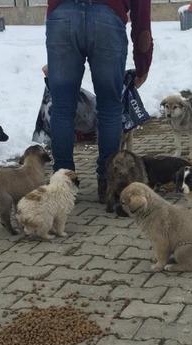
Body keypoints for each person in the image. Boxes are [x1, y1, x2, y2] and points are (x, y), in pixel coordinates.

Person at [45, 0, 153, 203]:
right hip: (108, 18)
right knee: (110, 108)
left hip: (62, 16)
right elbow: (141, 8)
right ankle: (108, 184)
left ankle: (62, 183)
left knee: (61, 108)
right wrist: (143, 61)